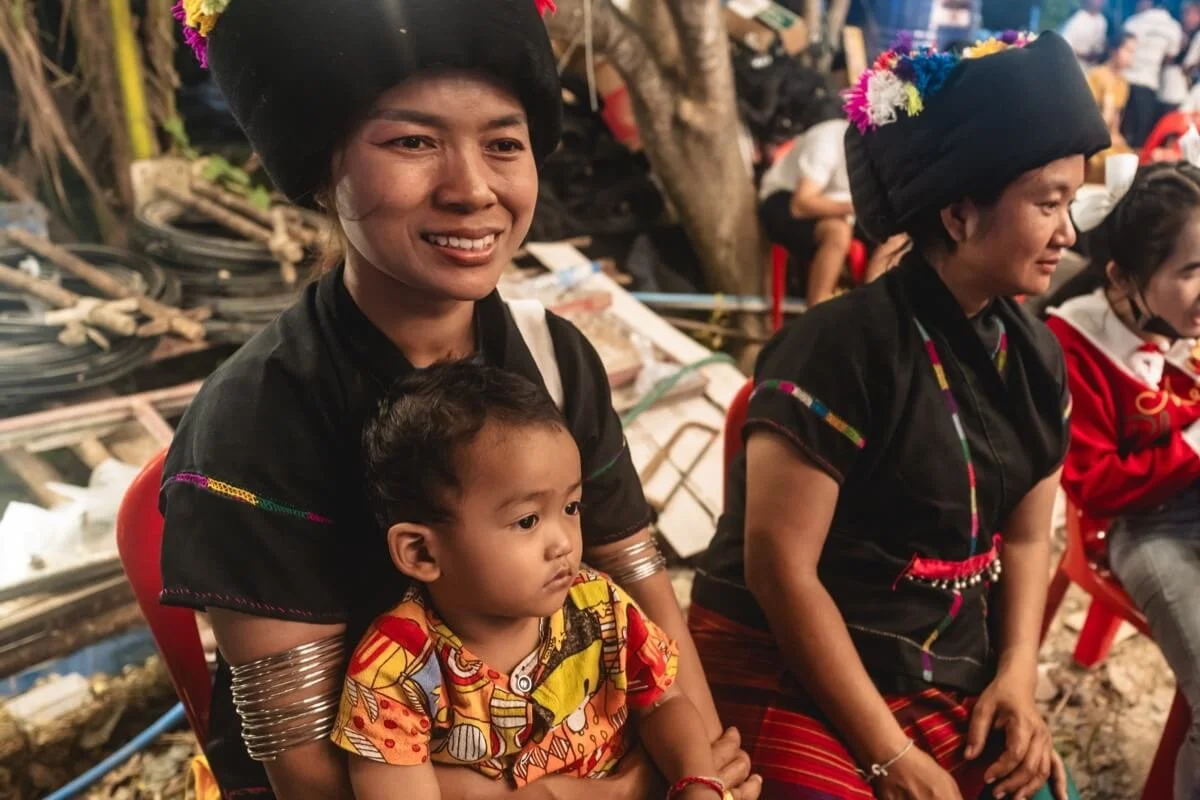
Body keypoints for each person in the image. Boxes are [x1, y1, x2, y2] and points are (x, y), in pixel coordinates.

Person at [161, 1, 760, 798]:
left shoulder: (555, 355)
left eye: (504, 144)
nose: (473, 189)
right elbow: (304, 771)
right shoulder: (257, 420)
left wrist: (698, 773)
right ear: (321, 164)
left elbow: (642, 595)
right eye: (412, 141)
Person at [690, 31, 1109, 800]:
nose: (1068, 233)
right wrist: (888, 756)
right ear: (958, 214)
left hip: (934, 648)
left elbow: (1023, 535)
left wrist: (1015, 677)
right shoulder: (839, 350)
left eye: (1072, 204)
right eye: (1049, 204)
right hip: (784, 645)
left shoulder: (1035, 359)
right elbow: (779, 570)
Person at [333, 362, 725, 799]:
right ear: (422, 552)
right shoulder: (394, 672)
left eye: (571, 508)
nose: (563, 543)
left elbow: (664, 702)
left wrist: (697, 783)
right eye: (527, 521)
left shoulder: (600, 605)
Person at [1047, 159, 1200, 800]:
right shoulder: (1074, 341)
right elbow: (1095, 486)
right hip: (1142, 527)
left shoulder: (1180, 321)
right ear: (1123, 277)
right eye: (1192, 272)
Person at [758, 117, 908, 306]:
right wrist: (857, 207)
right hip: (784, 200)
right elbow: (801, 205)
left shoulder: (886, 153)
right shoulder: (829, 140)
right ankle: (816, 313)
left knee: (897, 236)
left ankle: (875, 309)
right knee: (837, 231)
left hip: (843, 209)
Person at [1123, 1, 1184, 148]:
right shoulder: (1173, 28)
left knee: (1121, 132)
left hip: (1123, 83)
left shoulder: (1134, 22)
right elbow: (1170, 57)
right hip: (1148, 84)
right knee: (1140, 138)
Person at [1086, 34, 1138, 182]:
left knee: (1130, 159)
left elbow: (1116, 119)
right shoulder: (1096, 75)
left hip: (1108, 138)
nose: (1130, 56)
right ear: (1114, 50)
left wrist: (1116, 136)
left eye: (1133, 52)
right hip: (1092, 138)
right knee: (1109, 162)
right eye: (1127, 50)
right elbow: (1088, 116)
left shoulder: (1123, 83)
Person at [1062, 0, 1110, 67]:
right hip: (1076, 67)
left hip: (1093, 67)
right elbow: (1063, 48)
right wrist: (1084, 56)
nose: (1100, 1)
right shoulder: (1076, 21)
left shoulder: (1102, 20)